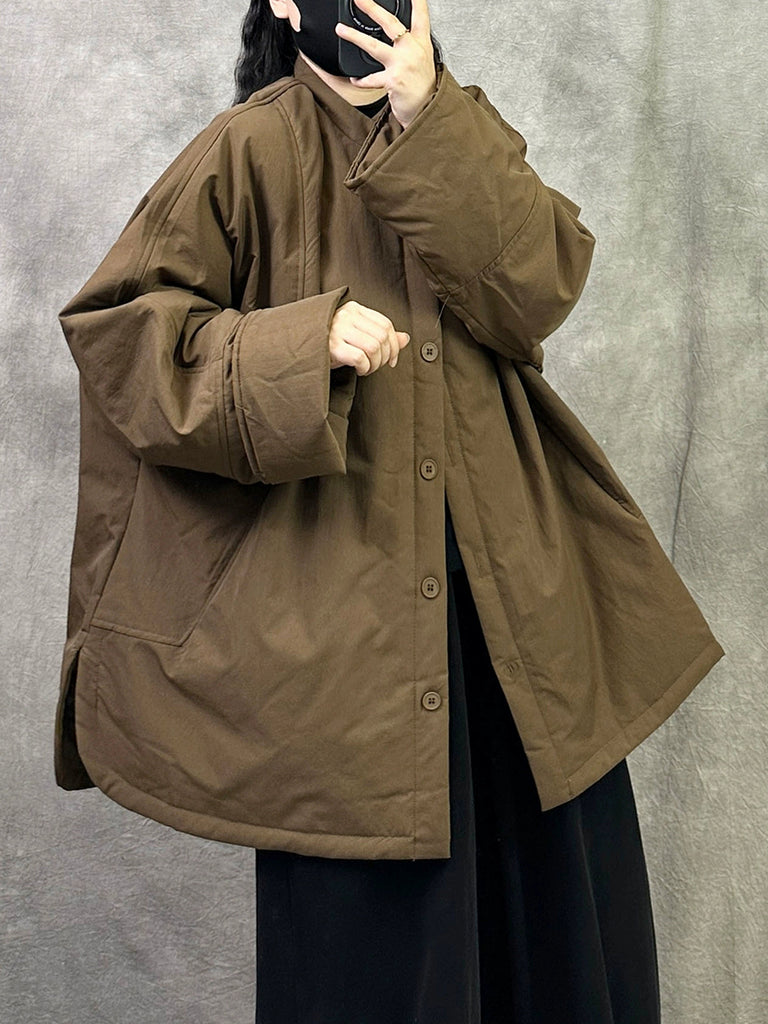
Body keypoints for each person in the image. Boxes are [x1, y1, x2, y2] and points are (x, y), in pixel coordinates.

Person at [54, 0, 725, 1021]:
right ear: (285, 2)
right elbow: (122, 341)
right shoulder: (247, 149)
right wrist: (299, 346)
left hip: (519, 630)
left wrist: (431, 119)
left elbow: (542, 288)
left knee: (567, 949)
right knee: (381, 973)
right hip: (342, 662)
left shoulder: (457, 121)